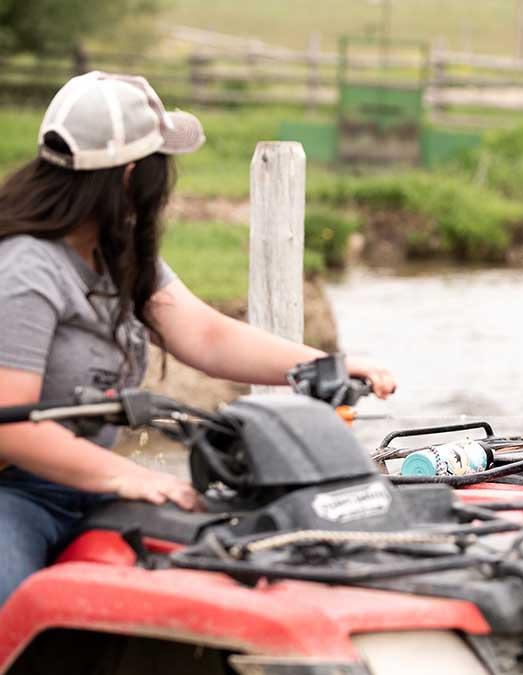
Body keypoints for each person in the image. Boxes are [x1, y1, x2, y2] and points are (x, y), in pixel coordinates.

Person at [0, 71, 396, 604]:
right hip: (16, 493)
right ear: (131, 175)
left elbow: (206, 336)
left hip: (83, 486)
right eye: (162, 166)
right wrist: (123, 476)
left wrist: (323, 364)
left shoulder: (118, 255)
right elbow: (11, 425)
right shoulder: (27, 267)